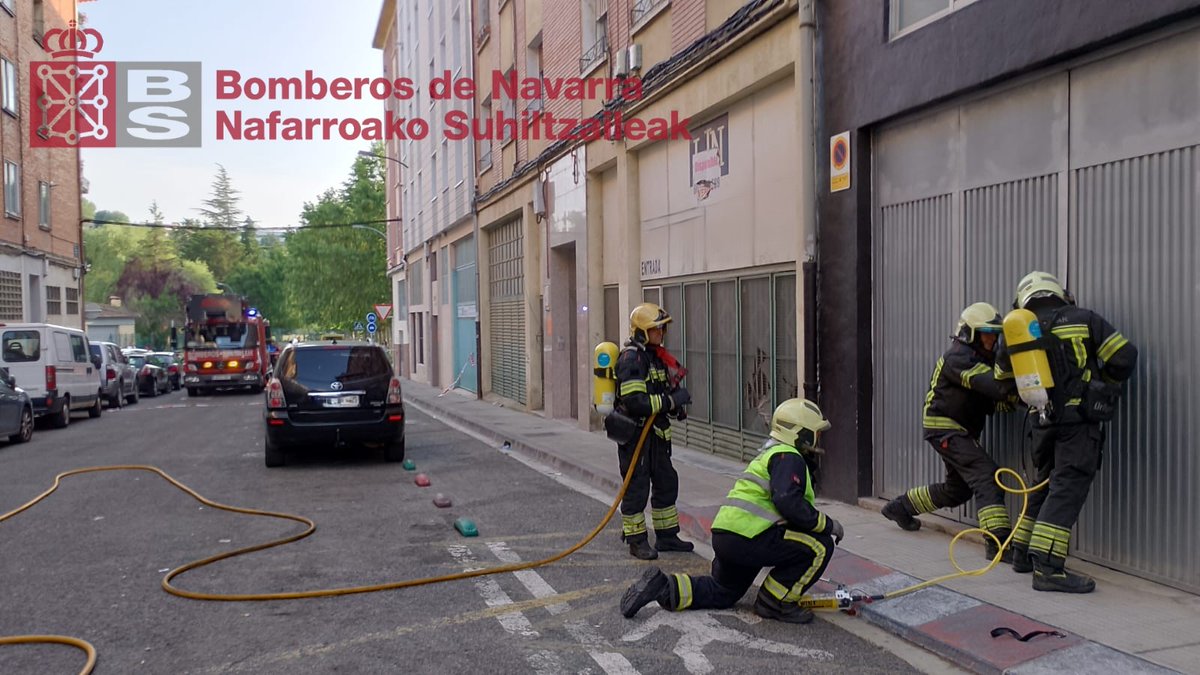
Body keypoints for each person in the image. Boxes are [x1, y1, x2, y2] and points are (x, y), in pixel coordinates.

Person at [620, 398, 842, 624]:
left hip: (727, 536)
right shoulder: (789, 457)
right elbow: (788, 501)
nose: (819, 439)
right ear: (801, 433)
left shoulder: (769, 454)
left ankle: (663, 586)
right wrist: (828, 524)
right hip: (750, 537)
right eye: (816, 433)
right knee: (820, 546)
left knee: (723, 591)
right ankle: (775, 602)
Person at [994, 271, 1137, 593]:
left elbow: (1002, 378)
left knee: (1043, 485)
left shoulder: (1014, 330)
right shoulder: (1083, 318)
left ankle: (1022, 553)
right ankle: (1047, 568)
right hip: (1077, 422)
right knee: (1067, 486)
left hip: (1041, 422)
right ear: (1059, 293)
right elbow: (1124, 357)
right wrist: (1103, 386)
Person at [881, 302, 1018, 562]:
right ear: (971, 334)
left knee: (959, 490)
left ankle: (899, 507)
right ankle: (997, 542)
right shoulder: (959, 358)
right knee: (986, 475)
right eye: (986, 333)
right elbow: (997, 388)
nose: (992, 339)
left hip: (958, 431)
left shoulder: (977, 361)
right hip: (945, 428)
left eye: (995, 334)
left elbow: (998, 400)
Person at [613, 303, 694, 560]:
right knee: (636, 488)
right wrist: (670, 402)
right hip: (636, 437)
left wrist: (675, 406)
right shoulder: (631, 360)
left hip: (657, 437)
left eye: (662, 328)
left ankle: (667, 536)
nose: (661, 333)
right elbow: (636, 402)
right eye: (656, 329)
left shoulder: (655, 358)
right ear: (641, 332)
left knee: (667, 482)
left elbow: (660, 393)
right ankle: (637, 540)